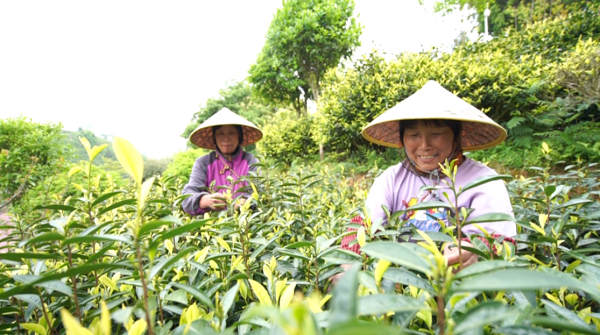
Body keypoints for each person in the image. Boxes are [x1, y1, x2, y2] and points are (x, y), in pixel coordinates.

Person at [337, 81, 516, 277]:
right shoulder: (390, 180)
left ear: (457, 137)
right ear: (402, 139)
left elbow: (499, 243)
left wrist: (473, 252)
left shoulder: (485, 181)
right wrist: (347, 266)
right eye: (414, 135)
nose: (424, 145)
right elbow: (365, 230)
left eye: (436, 134)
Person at [181, 107, 262, 215]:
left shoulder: (250, 161)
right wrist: (205, 200)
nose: (226, 139)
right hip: (212, 228)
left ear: (239, 136)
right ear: (214, 137)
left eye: (231, 133)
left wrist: (244, 203)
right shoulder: (203, 163)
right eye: (220, 133)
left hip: (246, 226)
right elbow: (186, 200)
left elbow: (258, 194)